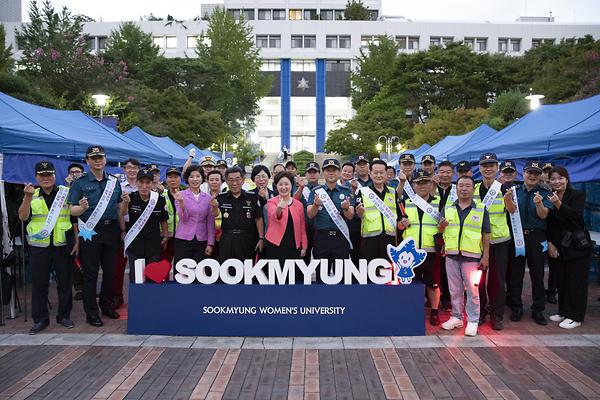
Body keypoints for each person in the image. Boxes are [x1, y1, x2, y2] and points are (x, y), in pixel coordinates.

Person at [68, 145, 123, 327]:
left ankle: (106, 305)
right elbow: (72, 210)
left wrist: (123, 223)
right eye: (93, 158)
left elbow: (119, 209)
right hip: (89, 231)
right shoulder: (80, 183)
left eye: (100, 157)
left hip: (111, 230)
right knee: (90, 273)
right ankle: (91, 313)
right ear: (87, 161)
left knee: (110, 271)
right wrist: (82, 208)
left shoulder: (114, 182)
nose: (97, 160)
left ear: (105, 160)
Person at [19, 161, 74, 334]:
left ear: (54, 175)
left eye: (49, 174)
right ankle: (41, 319)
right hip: (39, 245)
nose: (46, 178)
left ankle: (63, 316)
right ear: (36, 177)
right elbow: (22, 216)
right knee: (39, 284)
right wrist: (27, 198)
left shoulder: (65, 192)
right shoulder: (32, 194)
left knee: (65, 282)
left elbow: (74, 215)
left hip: (61, 244)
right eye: (42, 175)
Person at [438, 175, 490, 337]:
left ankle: (473, 320)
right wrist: (442, 226)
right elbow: (440, 231)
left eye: (468, 186)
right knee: (455, 290)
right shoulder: (448, 208)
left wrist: (486, 256)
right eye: (461, 185)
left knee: (473, 291)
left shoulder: (481, 209)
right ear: (456, 188)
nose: (464, 189)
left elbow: (486, 234)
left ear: (473, 189)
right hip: (452, 255)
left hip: (472, 256)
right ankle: (456, 317)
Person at [504, 160, 553, 325]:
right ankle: (516, 306)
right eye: (529, 172)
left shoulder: (545, 192)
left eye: (536, 173)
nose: (532, 176)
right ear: (523, 173)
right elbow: (510, 211)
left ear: (540, 176)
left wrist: (539, 203)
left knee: (537, 275)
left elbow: (544, 215)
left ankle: (538, 309)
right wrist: (507, 200)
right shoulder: (515, 190)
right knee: (515, 274)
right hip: (518, 236)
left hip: (536, 237)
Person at [473, 153, 514, 330]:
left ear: (497, 168)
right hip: (476, 242)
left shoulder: (505, 188)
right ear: (480, 168)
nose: (488, 168)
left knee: (497, 280)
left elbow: (512, 211)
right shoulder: (473, 188)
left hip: (499, 240)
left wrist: (508, 201)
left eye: (491, 165)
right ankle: (480, 312)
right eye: (484, 165)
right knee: (478, 280)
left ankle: (497, 315)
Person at [546, 167, 591, 329]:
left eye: (560, 178)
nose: (556, 182)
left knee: (576, 282)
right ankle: (564, 312)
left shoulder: (577, 195)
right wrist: (550, 243)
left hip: (577, 246)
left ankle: (576, 316)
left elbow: (575, 216)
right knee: (562, 280)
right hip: (559, 246)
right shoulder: (549, 196)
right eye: (553, 179)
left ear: (567, 179)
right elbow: (549, 224)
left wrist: (558, 203)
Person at [398, 170, 441, 326]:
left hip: (431, 250)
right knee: (412, 283)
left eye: (425, 182)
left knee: (433, 283)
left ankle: (435, 311)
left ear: (431, 184)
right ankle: (413, 311)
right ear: (413, 185)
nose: (422, 186)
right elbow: (398, 226)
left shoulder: (439, 202)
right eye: (418, 182)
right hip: (411, 252)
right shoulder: (406, 202)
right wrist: (401, 225)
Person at [307, 159, 354, 280]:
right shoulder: (316, 191)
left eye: (334, 170)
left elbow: (350, 216)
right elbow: (310, 215)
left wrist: (346, 209)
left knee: (342, 277)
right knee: (322, 276)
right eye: (328, 170)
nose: (331, 173)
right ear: (323, 173)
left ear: (339, 173)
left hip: (340, 237)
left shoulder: (347, 191)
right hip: (322, 238)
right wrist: (316, 205)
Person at [120, 168, 169, 283]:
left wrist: (165, 237)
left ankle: (152, 300)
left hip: (154, 243)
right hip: (135, 243)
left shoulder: (159, 199)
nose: (144, 186)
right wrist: (125, 202)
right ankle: (137, 300)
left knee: (153, 276)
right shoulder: (130, 198)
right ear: (136, 183)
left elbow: (164, 220)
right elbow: (123, 213)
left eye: (148, 183)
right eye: (141, 182)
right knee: (136, 276)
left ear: (153, 183)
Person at [212, 166, 264, 262]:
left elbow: (258, 218)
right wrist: (214, 206)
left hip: (247, 239)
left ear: (243, 180)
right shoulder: (221, 198)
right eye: (231, 180)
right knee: (227, 270)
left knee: (247, 270)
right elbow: (215, 215)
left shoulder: (252, 197)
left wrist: (261, 238)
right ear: (226, 181)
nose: (234, 183)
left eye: (237, 179)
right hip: (227, 239)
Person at [355, 159, 401, 261]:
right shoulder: (363, 192)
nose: (378, 175)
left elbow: (399, 215)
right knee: (370, 272)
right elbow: (358, 214)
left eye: (381, 172)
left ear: (386, 174)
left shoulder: (393, 192)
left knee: (388, 272)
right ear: (370, 174)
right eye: (375, 173)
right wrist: (359, 212)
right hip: (370, 239)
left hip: (389, 238)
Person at [265, 171, 308, 270]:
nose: (283, 187)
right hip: (275, 245)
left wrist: (304, 246)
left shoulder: (298, 204)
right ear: (276, 186)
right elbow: (274, 215)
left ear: (291, 186)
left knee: (292, 276)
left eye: (286, 184)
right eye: (280, 184)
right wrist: (279, 208)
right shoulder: (271, 201)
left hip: (293, 245)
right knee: (276, 276)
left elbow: (302, 227)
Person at [173, 165, 215, 265]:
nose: (195, 179)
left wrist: (210, 243)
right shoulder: (180, 195)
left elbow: (210, 221)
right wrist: (182, 204)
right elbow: (183, 218)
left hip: (201, 240)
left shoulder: (208, 197)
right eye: (191, 176)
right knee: (182, 272)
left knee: (200, 272)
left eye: (198, 176)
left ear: (202, 178)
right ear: (187, 179)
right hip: (183, 239)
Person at [113, 158, 139, 308]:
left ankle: (137, 296)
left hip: (140, 227)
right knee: (119, 264)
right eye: (129, 167)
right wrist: (123, 229)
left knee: (136, 265)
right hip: (123, 226)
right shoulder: (119, 187)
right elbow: (118, 211)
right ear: (124, 170)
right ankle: (117, 296)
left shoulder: (144, 186)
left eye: (135, 168)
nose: (132, 170)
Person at [436, 160, 455, 311]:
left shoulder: (457, 189)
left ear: (453, 173)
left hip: (452, 233)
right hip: (434, 232)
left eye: (448, 172)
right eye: (442, 172)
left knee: (449, 267)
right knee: (435, 267)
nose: (445, 175)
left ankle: (448, 297)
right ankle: (435, 296)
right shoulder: (431, 188)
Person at [65, 163, 84, 301]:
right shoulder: (63, 190)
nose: (75, 174)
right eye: (72, 172)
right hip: (70, 227)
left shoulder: (85, 187)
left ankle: (88, 286)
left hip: (87, 226)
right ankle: (78, 287)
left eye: (78, 172)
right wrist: (68, 188)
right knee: (75, 258)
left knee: (88, 258)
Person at [161, 167, 183, 263]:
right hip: (165, 237)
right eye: (170, 177)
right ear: (166, 179)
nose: (173, 179)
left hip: (182, 237)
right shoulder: (161, 195)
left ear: (180, 179)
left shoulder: (186, 194)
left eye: (176, 177)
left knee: (181, 267)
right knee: (163, 265)